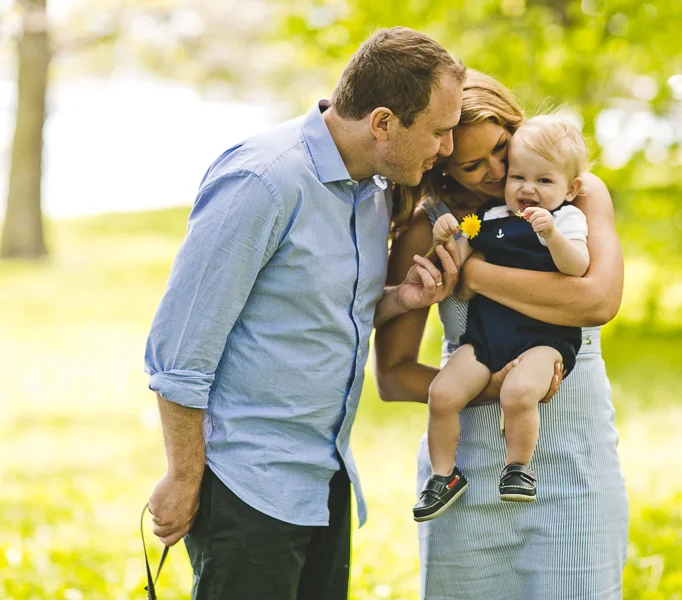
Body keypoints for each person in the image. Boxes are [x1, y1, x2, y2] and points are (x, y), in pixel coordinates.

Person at [143, 27, 465, 599]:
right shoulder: (263, 180)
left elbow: (321, 311)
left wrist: (400, 301)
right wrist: (183, 476)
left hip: (323, 479)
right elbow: (180, 349)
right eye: (439, 132)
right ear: (384, 122)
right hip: (247, 486)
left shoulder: (371, 189)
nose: (446, 148)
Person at [374, 71, 629, 598]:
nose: (499, 172)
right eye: (472, 164)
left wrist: (474, 275)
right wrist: (490, 386)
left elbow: (598, 301)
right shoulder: (432, 227)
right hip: (469, 458)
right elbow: (393, 376)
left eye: (502, 148)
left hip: (573, 455)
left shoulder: (577, 196)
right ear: (440, 161)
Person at [414, 115, 593, 521]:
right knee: (442, 394)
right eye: (518, 178)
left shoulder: (567, 219)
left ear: (571, 188)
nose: (528, 189)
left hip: (543, 339)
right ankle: (444, 475)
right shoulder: (488, 215)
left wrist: (550, 236)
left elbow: (577, 267)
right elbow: (459, 253)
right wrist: (448, 236)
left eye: (544, 181)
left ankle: (518, 468)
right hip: (486, 336)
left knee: (518, 393)